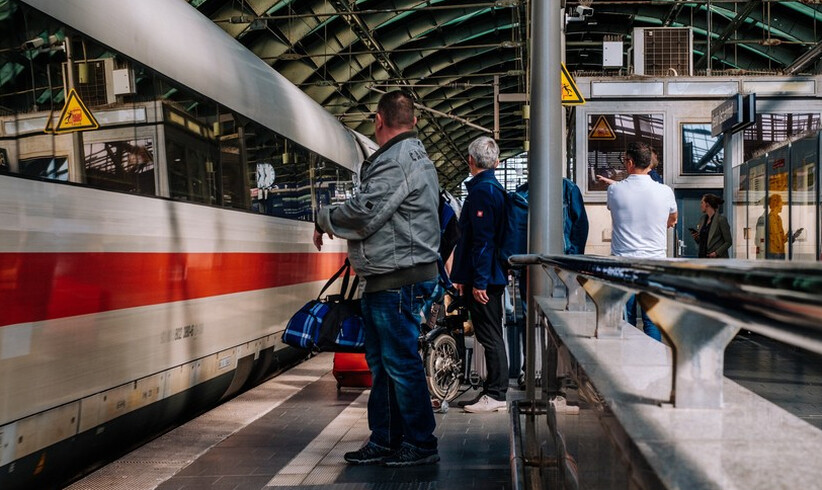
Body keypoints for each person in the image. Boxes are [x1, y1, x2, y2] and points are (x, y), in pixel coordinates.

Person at [313, 90, 441, 466]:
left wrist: (324, 217)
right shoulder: (414, 155)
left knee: (399, 363)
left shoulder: (396, 161)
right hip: (392, 278)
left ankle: (420, 443)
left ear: (379, 120)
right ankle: (386, 439)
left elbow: (365, 213)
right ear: (414, 120)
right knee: (385, 365)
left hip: (396, 280)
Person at [450, 136, 509, 413]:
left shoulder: (483, 191)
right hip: (487, 275)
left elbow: (483, 241)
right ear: (497, 162)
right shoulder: (492, 188)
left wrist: (480, 281)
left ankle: (496, 394)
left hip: (485, 279)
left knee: (490, 334)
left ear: (470, 161)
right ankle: (492, 391)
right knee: (490, 333)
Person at [605, 141, 677, 342]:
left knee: (624, 320)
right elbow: (673, 219)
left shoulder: (614, 191)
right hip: (654, 265)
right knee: (652, 320)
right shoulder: (665, 191)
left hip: (623, 266)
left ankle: (625, 365)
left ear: (629, 162)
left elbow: (614, 207)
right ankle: (653, 366)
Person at [689, 193, 732, 258]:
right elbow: (702, 241)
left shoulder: (721, 220)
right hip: (702, 257)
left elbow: (728, 242)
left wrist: (716, 253)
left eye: (702, 203)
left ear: (707, 204)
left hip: (717, 260)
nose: (701, 205)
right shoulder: (702, 219)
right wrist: (696, 237)